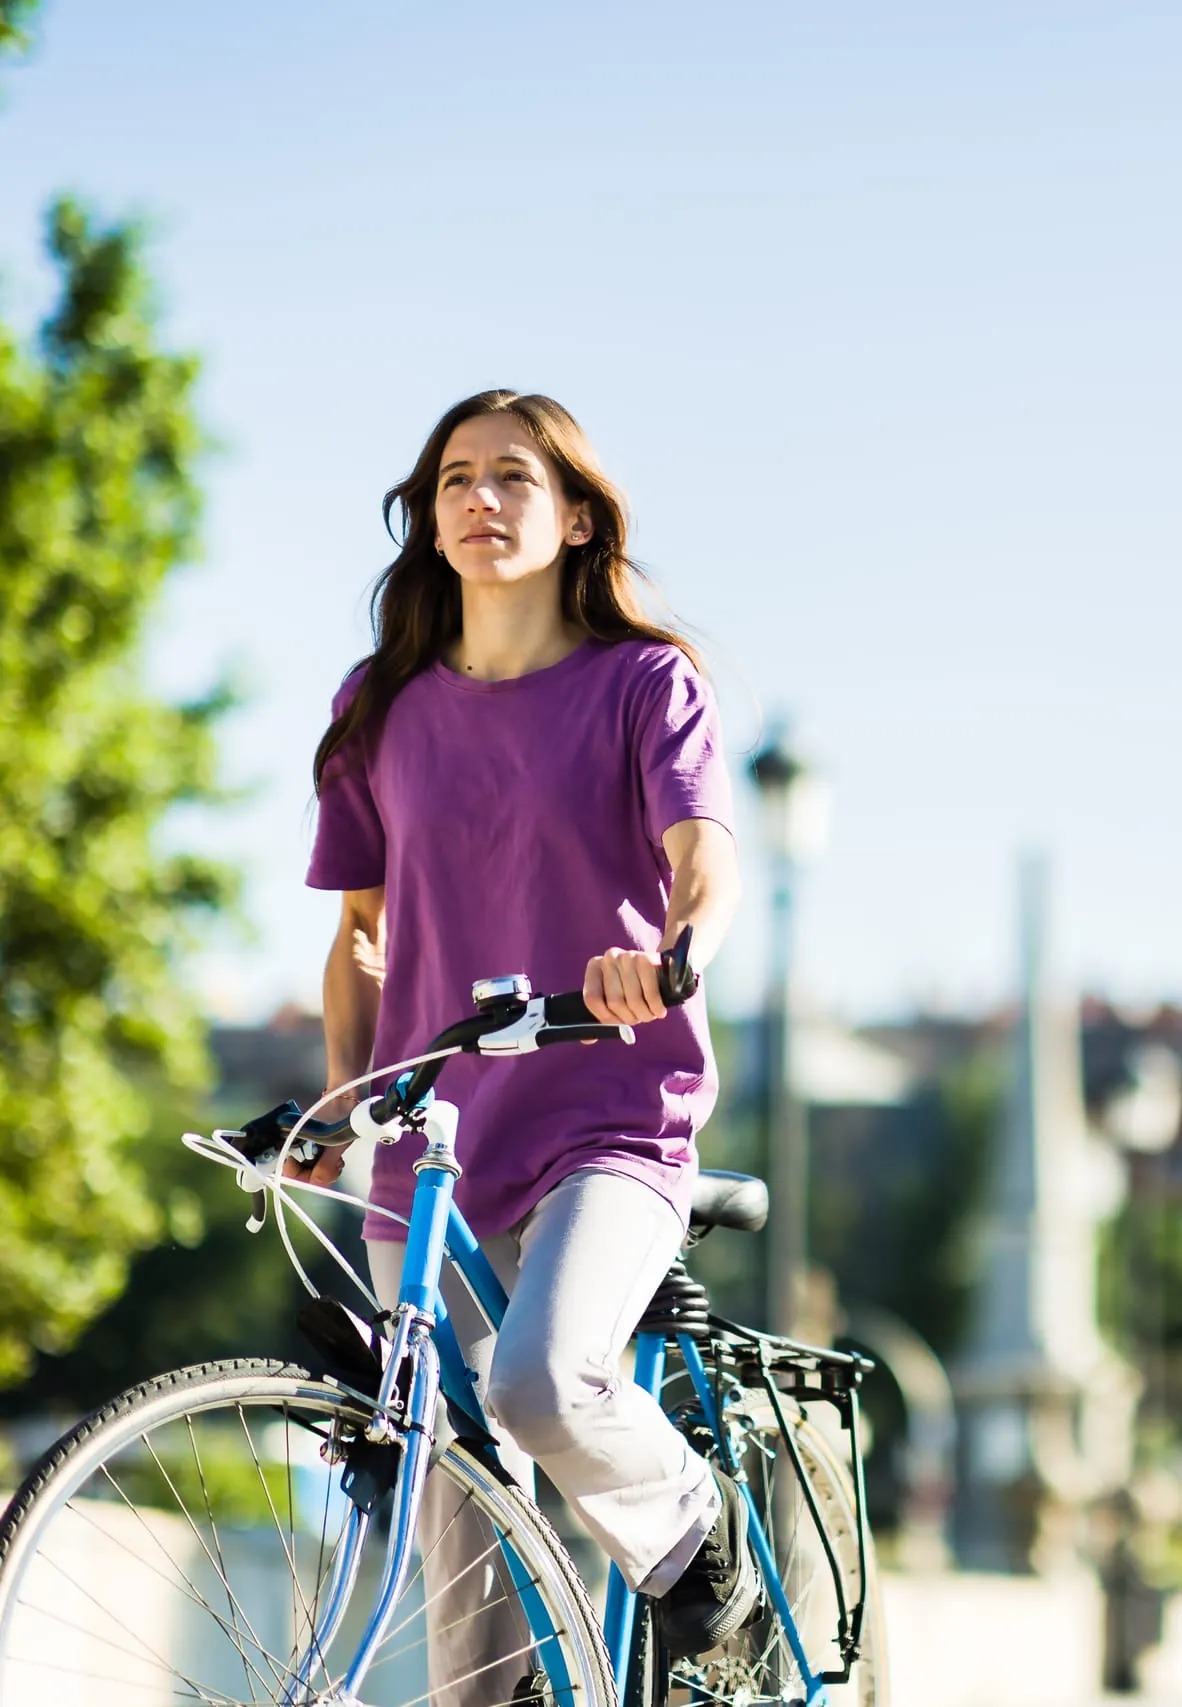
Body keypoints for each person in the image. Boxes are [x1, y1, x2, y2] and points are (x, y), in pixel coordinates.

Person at [295, 390, 748, 1705]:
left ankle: (693, 1534)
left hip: (607, 1111)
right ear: (429, 520)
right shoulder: (379, 707)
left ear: (576, 519)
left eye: (512, 478)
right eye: (455, 480)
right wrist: (338, 1102)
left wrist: (670, 957)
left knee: (545, 1384)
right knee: (453, 1505)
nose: (479, 500)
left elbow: (705, 860)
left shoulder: (642, 685)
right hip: (432, 1141)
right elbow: (361, 938)